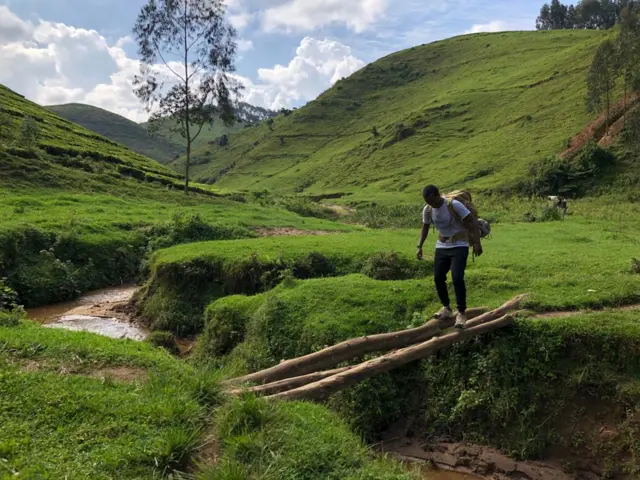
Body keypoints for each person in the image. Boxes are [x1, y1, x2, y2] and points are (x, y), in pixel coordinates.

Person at [416, 185, 483, 329]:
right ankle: (446, 308)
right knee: (438, 278)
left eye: (432, 201)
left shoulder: (453, 205)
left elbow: (472, 221)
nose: (431, 205)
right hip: (442, 245)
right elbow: (425, 228)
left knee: (457, 277)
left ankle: (461, 313)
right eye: (427, 202)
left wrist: (477, 242)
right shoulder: (428, 209)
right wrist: (419, 246)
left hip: (460, 244)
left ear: (436, 195)